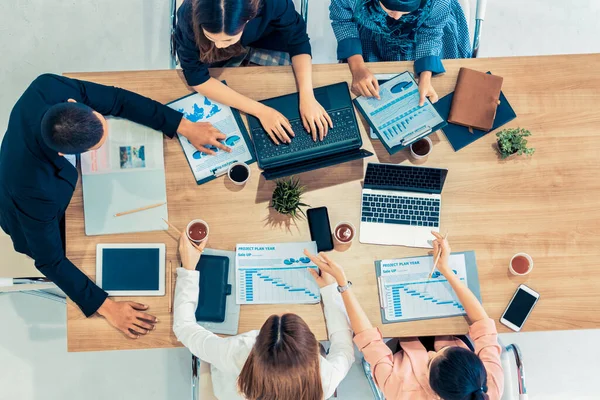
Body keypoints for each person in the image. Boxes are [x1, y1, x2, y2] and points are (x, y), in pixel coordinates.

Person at [0, 73, 230, 339]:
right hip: (24, 212)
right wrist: (107, 307)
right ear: (66, 155)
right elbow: (50, 260)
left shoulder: (47, 86)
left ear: (75, 102)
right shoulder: (35, 193)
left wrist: (184, 126)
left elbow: (118, 100)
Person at [304, 231, 504, 400]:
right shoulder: (487, 385)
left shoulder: (401, 392)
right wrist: (446, 269)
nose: (432, 352)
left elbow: (369, 341)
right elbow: (483, 324)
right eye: (445, 351)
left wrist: (342, 284)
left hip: (403, 348)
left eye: (430, 360)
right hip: (450, 332)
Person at [173, 230, 354, 400]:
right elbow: (345, 348)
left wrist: (188, 271)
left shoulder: (237, 351)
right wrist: (330, 290)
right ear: (313, 350)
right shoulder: (326, 379)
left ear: (256, 345)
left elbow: (184, 328)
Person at [175, 0, 333, 144]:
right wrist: (261, 111)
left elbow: (298, 40)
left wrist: (308, 96)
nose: (220, 45)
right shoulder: (188, 13)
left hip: (269, 39)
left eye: (228, 39)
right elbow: (197, 77)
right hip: (216, 60)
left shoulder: (271, 3)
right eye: (211, 37)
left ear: (250, 17)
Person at [330, 0, 471, 105]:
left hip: (425, 28)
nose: (396, 17)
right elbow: (343, 21)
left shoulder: (438, 2)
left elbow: (430, 33)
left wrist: (425, 77)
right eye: (390, 10)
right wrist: (358, 68)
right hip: (372, 33)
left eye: (405, 11)